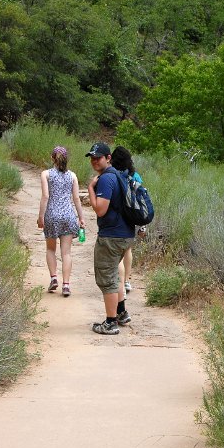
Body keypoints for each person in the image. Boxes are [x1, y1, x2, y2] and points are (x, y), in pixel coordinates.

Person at [86, 142, 136, 335]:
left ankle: (110, 322)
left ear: (108, 158)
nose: (94, 161)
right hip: (125, 235)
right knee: (115, 276)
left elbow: (100, 209)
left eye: (98, 157)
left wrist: (91, 188)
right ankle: (122, 313)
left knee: (107, 279)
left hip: (111, 237)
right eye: (92, 158)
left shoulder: (106, 179)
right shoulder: (119, 175)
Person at [37, 146, 85, 297]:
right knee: (66, 253)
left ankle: (53, 278)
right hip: (68, 215)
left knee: (51, 249)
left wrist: (41, 216)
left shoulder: (46, 174)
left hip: (51, 215)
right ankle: (66, 285)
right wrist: (81, 218)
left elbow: (45, 196)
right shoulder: (72, 176)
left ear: (52, 158)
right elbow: (76, 198)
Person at [109, 145, 147, 294]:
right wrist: (143, 224)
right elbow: (140, 198)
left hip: (116, 216)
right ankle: (127, 281)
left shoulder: (112, 174)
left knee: (116, 252)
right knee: (127, 249)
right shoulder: (135, 175)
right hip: (131, 215)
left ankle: (119, 283)